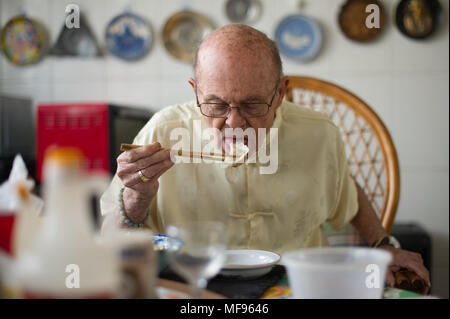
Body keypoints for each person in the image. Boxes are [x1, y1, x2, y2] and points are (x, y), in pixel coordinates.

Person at [100, 24, 430, 289]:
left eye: (253, 104)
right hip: (192, 286)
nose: (234, 122)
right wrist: (135, 197)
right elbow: (109, 240)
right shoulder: (164, 130)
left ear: (280, 92)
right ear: (195, 90)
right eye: (215, 104)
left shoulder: (318, 134)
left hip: (297, 285)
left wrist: (382, 243)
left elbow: (345, 188)